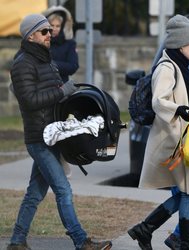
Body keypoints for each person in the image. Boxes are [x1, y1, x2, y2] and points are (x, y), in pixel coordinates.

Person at [7, 14, 112, 250]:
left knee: (35, 193)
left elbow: (55, 94)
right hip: (38, 138)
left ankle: (16, 241)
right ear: (30, 35)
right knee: (63, 189)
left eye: (49, 30)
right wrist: (63, 90)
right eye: (44, 31)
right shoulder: (22, 63)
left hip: (54, 133)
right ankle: (80, 241)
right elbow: (30, 100)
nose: (50, 34)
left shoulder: (46, 60)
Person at [127, 14, 189, 250]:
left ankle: (146, 230)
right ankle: (184, 243)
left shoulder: (180, 67)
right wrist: (180, 109)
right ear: (181, 44)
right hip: (176, 140)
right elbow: (159, 101)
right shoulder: (167, 68)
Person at [43, 5, 79, 178]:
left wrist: (52, 65)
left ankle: (64, 161)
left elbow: (73, 66)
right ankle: (49, 166)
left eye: (58, 26)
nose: (55, 29)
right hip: (44, 90)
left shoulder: (69, 44)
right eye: (52, 26)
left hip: (62, 91)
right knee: (45, 129)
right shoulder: (42, 43)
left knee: (61, 128)